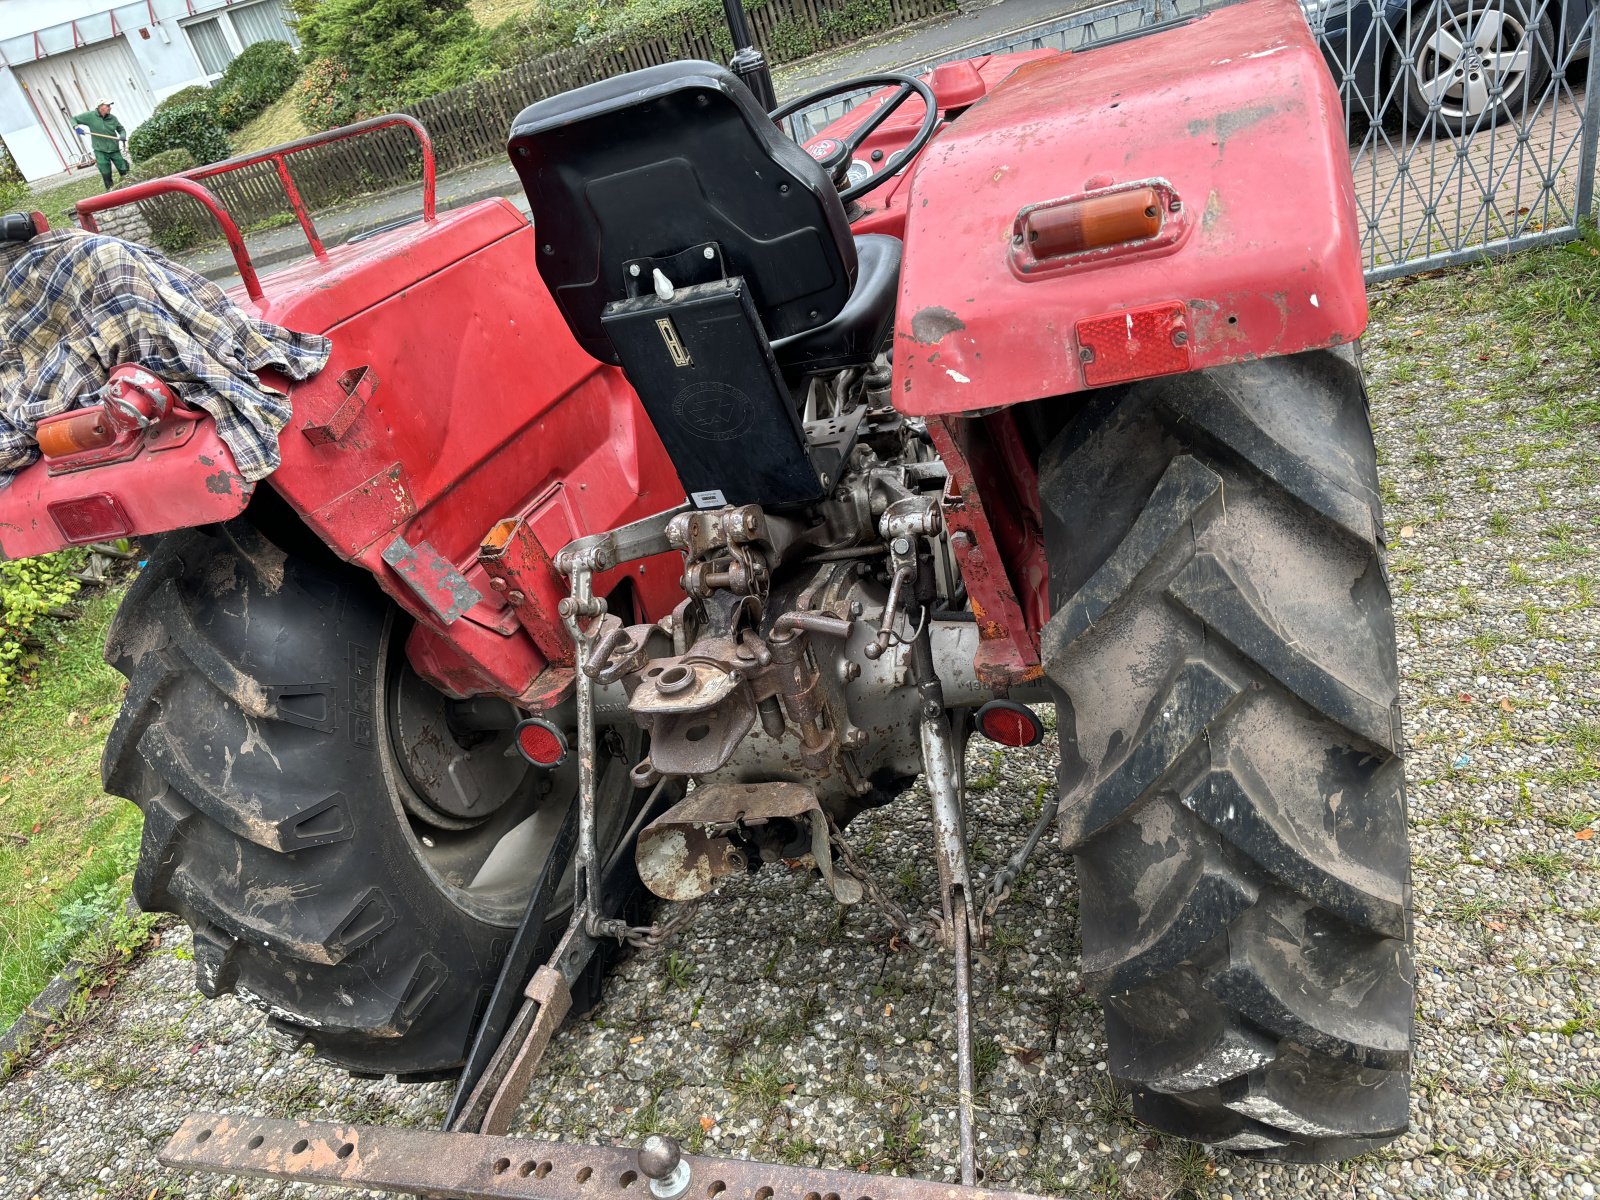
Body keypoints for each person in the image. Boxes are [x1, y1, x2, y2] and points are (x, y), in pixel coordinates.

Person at [73, 99, 130, 191]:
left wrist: (122, 135)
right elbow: (73, 119)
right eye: (107, 106)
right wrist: (76, 127)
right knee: (106, 172)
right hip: (100, 151)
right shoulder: (90, 116)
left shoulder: (113, 118)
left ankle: (129, 187)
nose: (109, 108)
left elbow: (121, 129)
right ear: (100, 107)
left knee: (123, 169)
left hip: (114, 149)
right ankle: (111, 191)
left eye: (109, 106)